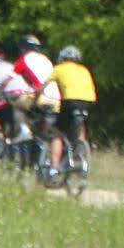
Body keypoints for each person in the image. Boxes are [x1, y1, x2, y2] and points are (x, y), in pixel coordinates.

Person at [45, 46, 97, 176]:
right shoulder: (84, 70)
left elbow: (43, 85)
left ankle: (54, 168)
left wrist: (35, 95)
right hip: (88, 101)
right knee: (80, 123)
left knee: (57, 132)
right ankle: (80, 149)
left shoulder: (58, 68)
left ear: (62, 58)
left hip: (70, 100)